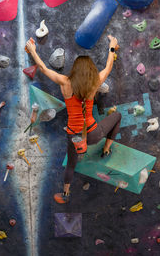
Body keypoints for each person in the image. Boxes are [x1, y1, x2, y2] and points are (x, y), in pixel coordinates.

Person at [25, 35, 122, 204]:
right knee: (118, 116)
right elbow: (108, 67)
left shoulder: (65, 82)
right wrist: (112, 47)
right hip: (93, 134)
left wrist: (33, 50)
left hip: (73, 136)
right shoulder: (95, 82)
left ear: (74, 70)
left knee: (71, 163)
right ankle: (106, 148)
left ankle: (65, 194)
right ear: (91, 71)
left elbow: (42, 68)